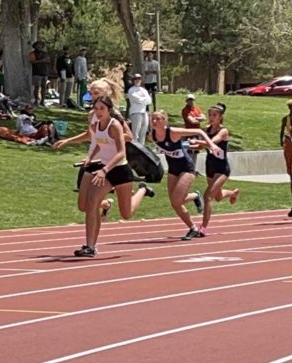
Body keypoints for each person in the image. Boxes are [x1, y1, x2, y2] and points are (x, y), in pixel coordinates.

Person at [70, 96, 151, 257]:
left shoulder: (114, 125)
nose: (99, 112)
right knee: (92, 202)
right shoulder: (96, 125)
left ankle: (142, 190)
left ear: (109, 110)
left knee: (126, 214)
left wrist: (104, 170)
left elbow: (121, 153)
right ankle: (90, 246)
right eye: (96, 108)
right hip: (106, 170)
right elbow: (100, 144)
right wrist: (90, 158)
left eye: (102, 108)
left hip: (120, 171)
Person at [149, 110, 219, 240]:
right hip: (172, 169)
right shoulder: (151, 136)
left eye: (157, 119)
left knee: (177, 200)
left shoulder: (173, 132)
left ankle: (193, 222)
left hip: (186, 168)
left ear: (164, 120)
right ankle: (193, 223)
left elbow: (199, 132)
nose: (154, 121)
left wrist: (211, 145)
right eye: (152, 119)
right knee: (175, 203)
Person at [193, 103, 239, 234]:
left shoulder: (223, 131)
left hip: (222, 169)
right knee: (218, 196)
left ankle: (203, 227)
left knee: (208, 196)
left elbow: (212, 142)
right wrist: (187, 145)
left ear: (220, 117)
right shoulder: (206, 129)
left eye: (214, 115)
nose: (211, 117)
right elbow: (202, 147)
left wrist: (198, 141)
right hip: (210, 167)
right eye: (210, 115)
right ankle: (232, 193)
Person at [126, 74, 151, 145]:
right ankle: (135, 147)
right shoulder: (131, 90)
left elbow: (149, 100)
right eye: (136, 78)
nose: (137, 80)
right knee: (135, 133)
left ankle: (142, 148)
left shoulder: (144, 90)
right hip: (136, 112)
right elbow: (138, 99)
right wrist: (144, 99)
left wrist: (143, 99)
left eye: (139, 78)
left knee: (143, 132)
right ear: (133, 80)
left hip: (144, 112)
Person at [280, 99, 292, 176]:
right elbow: (282, 130)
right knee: (288, 158)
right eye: (291, 106)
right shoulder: (285, 118)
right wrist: (281, 140)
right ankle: (291, 173)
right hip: (288, 140)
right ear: (288, 107)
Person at [29, 41, 50, 105]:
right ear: (35, 46)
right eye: (37, 45)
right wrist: (42, 61)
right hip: (36, 73)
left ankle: (42, 101)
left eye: (40, 45)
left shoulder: (45, 53)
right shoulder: (32, 53)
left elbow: (48, 60)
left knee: (44, 87)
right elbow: (32, 61)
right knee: (37, 87)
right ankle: (36, 100)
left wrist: (45, 61)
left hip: (44, 72)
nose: (39, 46)